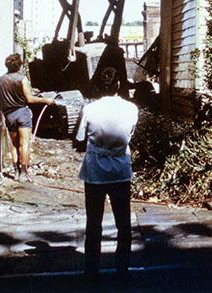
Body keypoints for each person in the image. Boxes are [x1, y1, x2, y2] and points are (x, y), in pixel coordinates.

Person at [76, 66, 139, 277]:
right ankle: (122, 269)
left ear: (98, 86)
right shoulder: (131, 109)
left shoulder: (90, 109)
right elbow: (131, 134)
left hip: (95, 172)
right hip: (120, 169)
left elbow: (78, 139)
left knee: (94, 223)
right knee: (124, 223)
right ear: (118, 85)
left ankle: (91, 271)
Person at [0, 53, 55, 182]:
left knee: (13, 145)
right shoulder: (22, 79)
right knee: (24, 144)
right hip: (22, 113)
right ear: (19, 65)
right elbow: (29, 99)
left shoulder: (1, 79)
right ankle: (24, 173)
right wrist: (46, 100)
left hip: (9, 115)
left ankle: (16, 172)